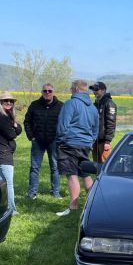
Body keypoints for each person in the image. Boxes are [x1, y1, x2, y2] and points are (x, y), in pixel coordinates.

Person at [55, 80, 99, 216]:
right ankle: (94, 204)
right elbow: (96, 128)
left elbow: (63, 125)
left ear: (75, 89)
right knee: (85, 174)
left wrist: (60, 141)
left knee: (72, 174)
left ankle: (73, 207)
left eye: (71, 88)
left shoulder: (70, 103)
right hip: (85, 145)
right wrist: (90, 142)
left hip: (69, 143)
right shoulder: (93, 107)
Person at [23, 83, 64, 198]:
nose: (47, 93)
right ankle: (32, 193)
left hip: (53, 141)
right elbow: (27, 121)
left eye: (49, 91)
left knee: (55, 167)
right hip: (38, 142)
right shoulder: (34, 105)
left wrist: (60, 138)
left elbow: (65, 124)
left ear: (53, 92)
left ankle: (55, 193)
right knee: (34, 168)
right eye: (45, 91)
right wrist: (31, 137)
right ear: (42, 92)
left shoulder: (61, 106)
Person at [0, 91, 23, 215]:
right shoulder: (0, 117)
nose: (9, 103)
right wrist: (14, 126)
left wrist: (14, 125)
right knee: (8, 183)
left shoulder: (5, 115)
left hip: (0, 152)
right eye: (5, 101)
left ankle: (0, 207)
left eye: (11, 101)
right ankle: (11, 210)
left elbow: (19, 129)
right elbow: (12, 134)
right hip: (2, 153)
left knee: (3, 182)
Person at [90, 81, 117, 163]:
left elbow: (111, 123)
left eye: (96, 90)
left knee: (106, 165)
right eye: (93, 90)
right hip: (95, 140)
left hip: (103, 142)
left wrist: (107, 141)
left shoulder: (109, 103)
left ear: (103, 90)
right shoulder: (96, 104)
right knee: (96, 166)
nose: (94, 92)